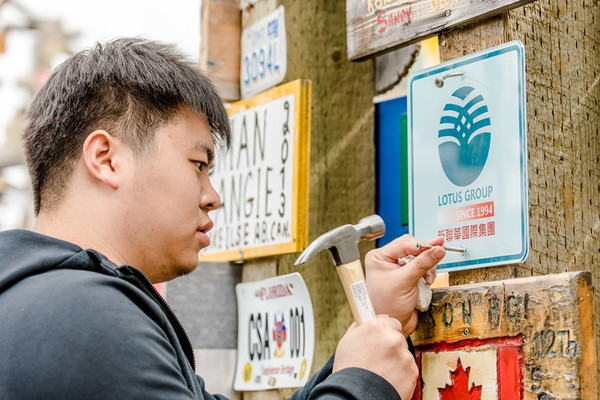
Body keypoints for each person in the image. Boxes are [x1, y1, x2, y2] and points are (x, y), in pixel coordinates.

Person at [0, 38, 446, 399]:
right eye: (198, 164)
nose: (213, 197)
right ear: (106, 158)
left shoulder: (44, 300)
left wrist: (366, 343)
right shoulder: (85, 315)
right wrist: (365, 386)